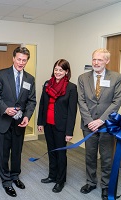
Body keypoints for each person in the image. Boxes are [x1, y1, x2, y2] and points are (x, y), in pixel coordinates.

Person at [77, 48, 121, 200]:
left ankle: (106, 186)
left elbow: (116, 101)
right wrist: (90, 121)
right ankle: (91, 182)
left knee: (106, 158)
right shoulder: (83, 78)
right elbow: (81, 101)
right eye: (94, 59)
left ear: (107, 61)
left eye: (100, 60)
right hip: (88, 125)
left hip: (106, 126)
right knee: (89, 156)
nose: (96, 62)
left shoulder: (116, 77)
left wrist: (101, 120)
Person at [0, 47, 36, 197]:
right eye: (19, 59)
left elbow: (31, 101)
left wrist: (27, 116)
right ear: (13, 58)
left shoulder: (30, 79)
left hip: (19, 123)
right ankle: (6, 182)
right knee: (3, 153)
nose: (21, 62)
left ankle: (15, 176)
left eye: (24, 60)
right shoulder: (1, 74)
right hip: (2, 121)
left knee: (17, 152)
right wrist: (5, 109)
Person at [37, 59, 78, 193]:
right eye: (56, 69)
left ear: (66, 72)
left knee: (61, 154)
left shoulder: (71, 87)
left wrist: (69, 132)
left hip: (61, 126)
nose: (57, 72)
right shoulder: (47, 84)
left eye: (61, 70)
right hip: (48, 124)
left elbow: (72, 112)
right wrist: (40, 122)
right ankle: (52, 176)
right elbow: (42, 104)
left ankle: (60, 181)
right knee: (51, 151)